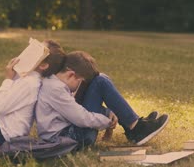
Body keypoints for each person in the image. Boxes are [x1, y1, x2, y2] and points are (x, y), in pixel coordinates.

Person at [35, 51, 169, 148]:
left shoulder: (55, 83)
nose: (79, 87)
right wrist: (107, 121)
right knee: (100, 81)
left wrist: (108, 111)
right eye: (80, 82)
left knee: (100, 78)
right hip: (72, 137)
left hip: (70, 131)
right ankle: (136, 128)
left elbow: (74, 110)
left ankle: (132, 125)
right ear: (71, 74)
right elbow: (82, 118)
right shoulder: (55, 89)